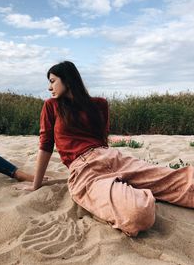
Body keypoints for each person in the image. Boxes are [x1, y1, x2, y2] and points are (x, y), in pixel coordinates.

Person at [14, 60, 194, 237]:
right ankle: (129, 192)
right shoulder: (51, 106)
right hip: (84, 169)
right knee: (139, 215)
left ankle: (130, 187)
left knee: (182, 181)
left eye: (52, 81)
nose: (49, 87)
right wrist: (36, 184)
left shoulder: (99, 104)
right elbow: (45, 145)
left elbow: (102, 139)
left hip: (112, 157)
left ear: (67, 80)